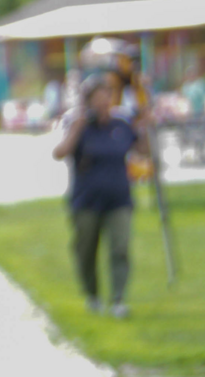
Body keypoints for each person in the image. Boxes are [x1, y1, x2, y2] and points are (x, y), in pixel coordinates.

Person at [52, 74, 145, 318]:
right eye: (99, 97)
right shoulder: (79, 126)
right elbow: (59, 153)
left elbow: (143, 151)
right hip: (86, 201)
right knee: (85, 250)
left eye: (108, 96)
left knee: (120, 247)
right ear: (89, 101)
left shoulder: (121, 125)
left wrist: (145, 125)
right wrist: (77, 128)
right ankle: (92, 294)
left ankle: (118, 299)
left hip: (119, 199)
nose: (105, 101)